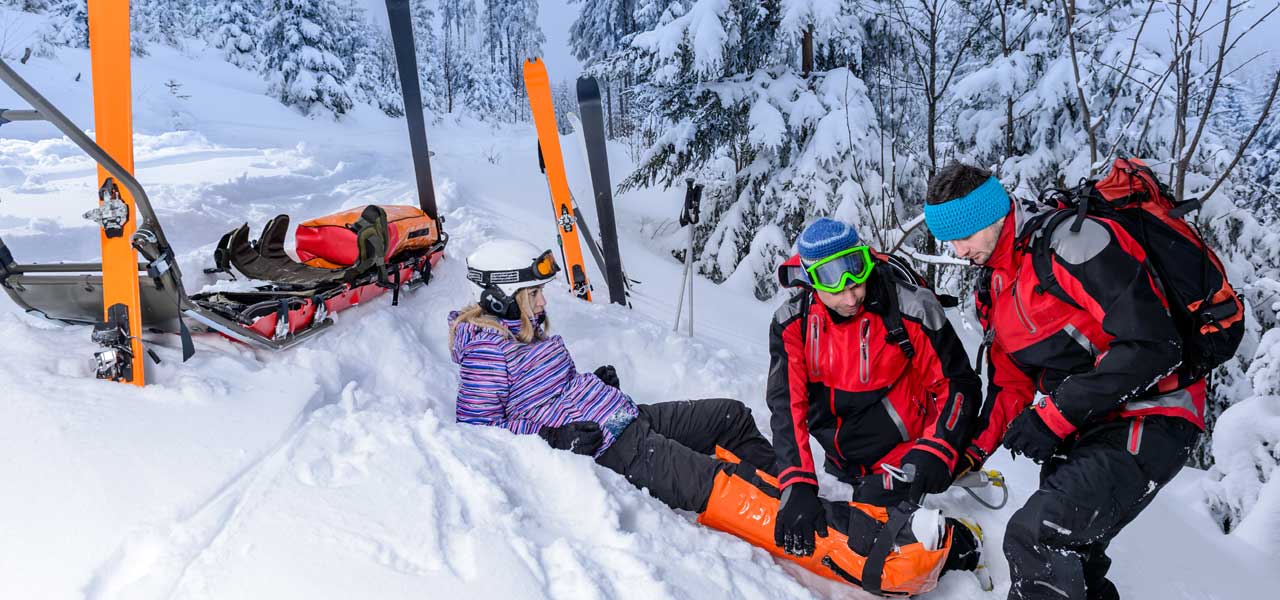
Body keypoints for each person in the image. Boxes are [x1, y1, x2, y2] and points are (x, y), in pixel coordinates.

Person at [451, 239, 985, 596]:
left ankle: (794, 492)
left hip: (623, 416)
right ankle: (895, 554)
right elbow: (479, 429)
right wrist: (555, 433)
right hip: (610, 446)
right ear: (501, 297)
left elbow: (541, 390)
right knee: (731, 487)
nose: (543, 300)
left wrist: (587, 385)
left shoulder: (526, 332)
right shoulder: (484, 349)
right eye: (533, 293)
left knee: (728, 417)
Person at [922, 163, 1204, 600]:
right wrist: (968, 455)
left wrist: (1053, 416)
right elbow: (1012, 385)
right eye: (950, 241)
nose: (958, 252)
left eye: (964, 236)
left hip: (1152, 416)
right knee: (1076, 564)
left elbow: (1154, 345)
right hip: (1084, 429)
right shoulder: (994, 287)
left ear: (995, 214)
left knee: (1038, 537)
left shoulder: (1071, 244)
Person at [766, 218, 983, 554]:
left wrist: (937, 448)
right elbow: (786, 406)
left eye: (858, 281)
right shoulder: (792, 324)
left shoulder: (910, 307)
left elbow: (958, 385)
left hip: (905, 451)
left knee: (871, 533)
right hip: (842, 455)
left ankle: (962, 542)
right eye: (836, 288)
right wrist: (797, 481)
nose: (852, 296)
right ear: (811, 281)